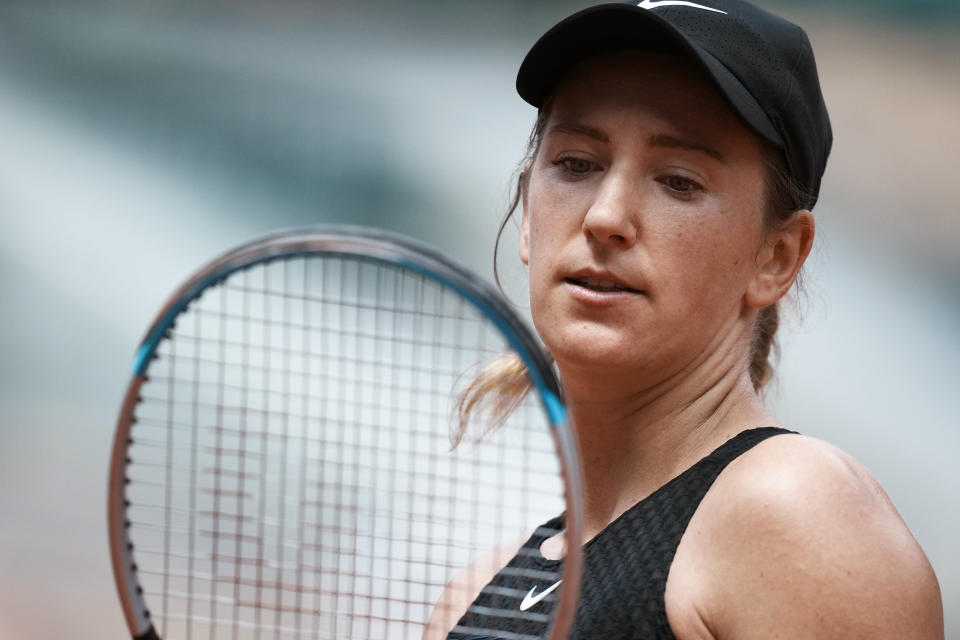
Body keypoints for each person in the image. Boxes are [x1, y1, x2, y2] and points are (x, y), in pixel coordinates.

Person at [426, 1, 944, 638]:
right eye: (577, 164)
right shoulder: (474, 595)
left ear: (776, 258)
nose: (605, 216)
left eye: (678, 181)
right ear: (528, 213)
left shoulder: (796, 517)